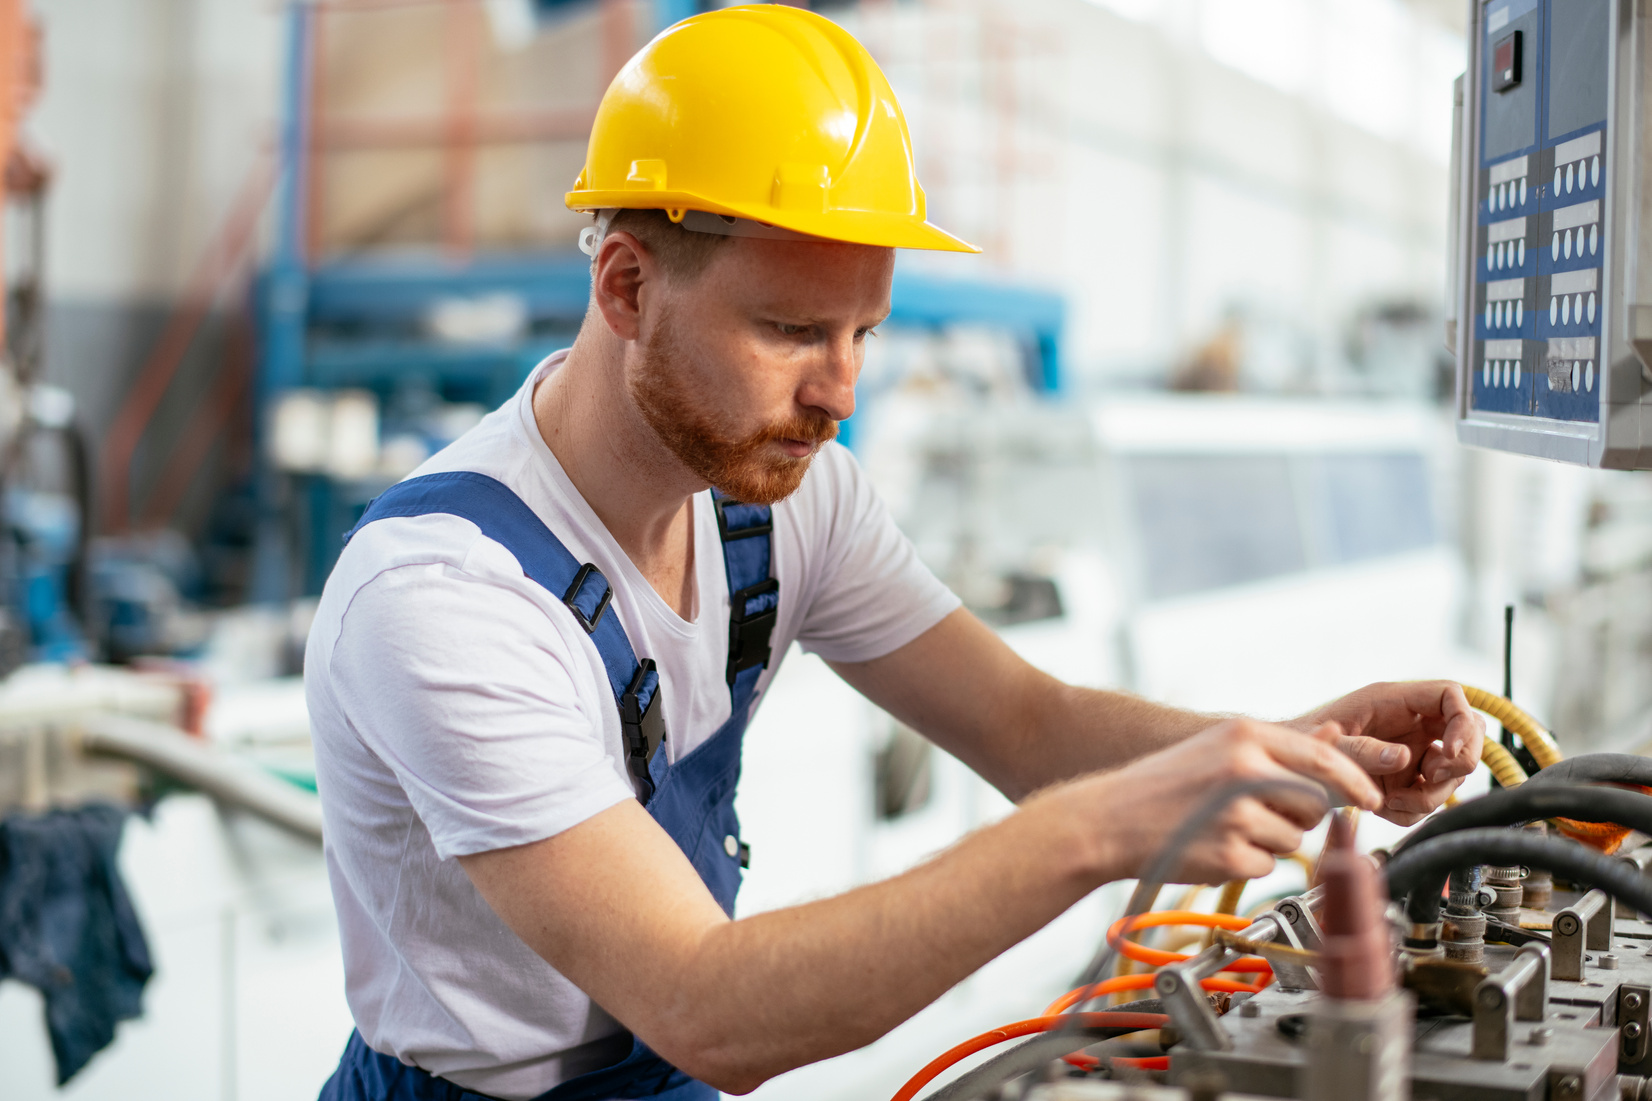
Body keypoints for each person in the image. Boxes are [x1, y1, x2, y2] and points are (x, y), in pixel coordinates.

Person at [307, 7, 1483, 1100]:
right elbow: (704, 1002)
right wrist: (1101, 829)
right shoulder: (446, 597)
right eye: (788, 331)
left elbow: (1027, 724)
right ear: (625, 285)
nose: (840, 391)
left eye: (863, 330)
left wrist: (1307, 751)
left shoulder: (782, 501)